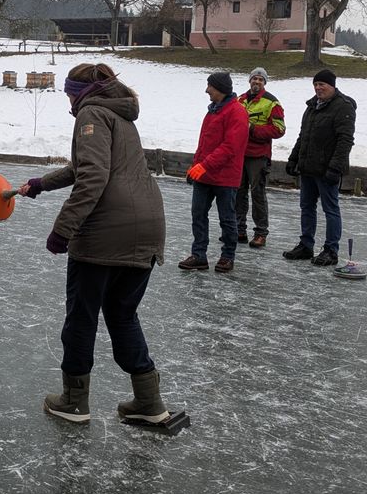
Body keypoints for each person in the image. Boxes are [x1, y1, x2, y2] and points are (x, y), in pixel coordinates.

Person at [18, 63, 169, 425]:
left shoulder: (90, 113)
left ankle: (73, 402)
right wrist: (42, 183)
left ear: (77, 91)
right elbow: (85, 166)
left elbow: (93, 175)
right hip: (147, 227)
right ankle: (148, 402)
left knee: (82, 318)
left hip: (106, 231)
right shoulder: (119, 113)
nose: (69, 101)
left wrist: (63, 229)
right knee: (122, 314)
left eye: (69, 93)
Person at [283, 69, 356, 266]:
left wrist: (335, 168)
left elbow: (345, 141)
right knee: (306, 207)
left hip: (327, 170)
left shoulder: (343, 107)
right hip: (308, 167)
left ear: (332, 86)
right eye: (316, 84)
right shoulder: (312, 107)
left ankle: (331, 250)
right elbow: (303, 136)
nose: (318, 88)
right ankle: (306, 245)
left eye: (322, 84)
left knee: (330, 209)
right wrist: (293, 159)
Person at [178, 72, 249, 273]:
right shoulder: (213, 111)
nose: (206, 90)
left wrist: (204, 165)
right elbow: (204, 144)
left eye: (209, 86)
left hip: (225, 177)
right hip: (204, 175)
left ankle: (228, 256)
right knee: (198, 215)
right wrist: (195, 166)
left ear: (219, 88)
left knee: (227, 218)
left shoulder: (237, 112)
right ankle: (199, 255)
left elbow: (230, 147)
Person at [236, 67, 285, 249]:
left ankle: (260, 233)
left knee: (257, 194)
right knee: (238, 193)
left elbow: (279, 129)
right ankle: (239, 229)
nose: (256, 82)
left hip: (258, 156)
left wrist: (253, 129)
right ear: (249, 81)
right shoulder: (239, 99)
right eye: (254, 79)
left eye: (260, 80)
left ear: (264, 83)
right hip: (239, 154)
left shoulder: (272, 103)